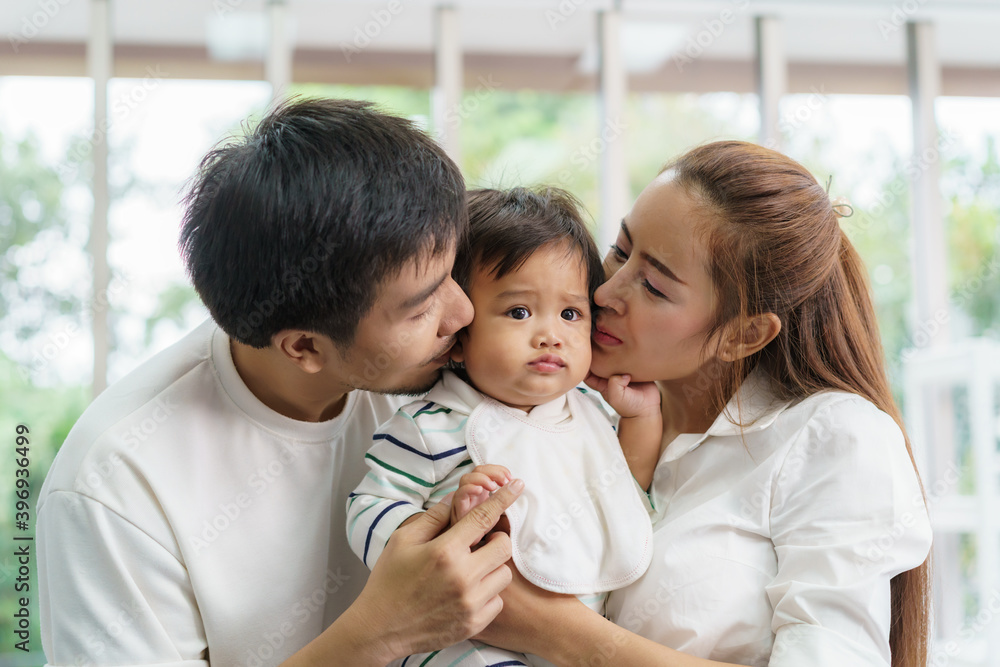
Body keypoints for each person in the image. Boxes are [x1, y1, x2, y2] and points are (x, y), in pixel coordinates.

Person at [35, 98, 524, 667]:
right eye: (420, 311)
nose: (463, 313)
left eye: (451, 273)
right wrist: (380, 633)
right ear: (305, 347)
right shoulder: (115, 484)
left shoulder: (438, 365)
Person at [474, 141, 934, 666]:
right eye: (620, 250)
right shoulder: (569, 410)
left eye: (651, 285)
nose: (605, 293)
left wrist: (555, 631)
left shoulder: (834, 437)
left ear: (743, 335)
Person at [347, 186, 659, 666]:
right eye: (519, 312)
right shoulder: (429, 426)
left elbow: (627, 488)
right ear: (458, 334)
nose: (551, 334)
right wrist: (449, 527)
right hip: (463, 643)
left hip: (573, 639)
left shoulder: (592, 413)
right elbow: (368, 506)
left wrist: (640, 416)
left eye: (571, 313)